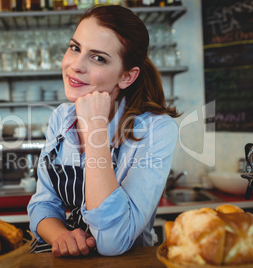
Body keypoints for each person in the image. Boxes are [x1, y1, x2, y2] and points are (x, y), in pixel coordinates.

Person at [27, 4, 180, 257]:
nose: (76, 65)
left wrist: (94, 128)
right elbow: (43, 204)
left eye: (98, 58)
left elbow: (112, 241)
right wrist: (62, 236)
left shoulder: (156, 128)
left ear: (126, 77)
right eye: (75, 48)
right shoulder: (61, 117)